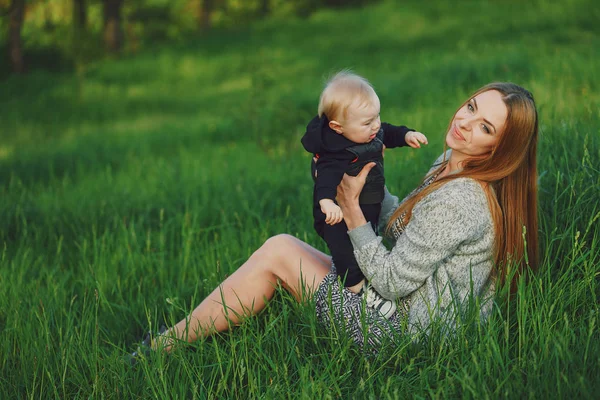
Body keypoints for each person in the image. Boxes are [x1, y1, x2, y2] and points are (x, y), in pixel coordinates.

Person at [131, 81, 539, 357]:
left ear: (501, 147)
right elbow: (406, 223)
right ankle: (167, 343)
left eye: (484, 126)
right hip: (400, 307)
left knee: (278, 252)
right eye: (470, 106)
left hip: (406, 337)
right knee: (280, 249)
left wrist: (353, 209)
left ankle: (160, 349)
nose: (465, 122)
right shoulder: (454, 162)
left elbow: (394, 280)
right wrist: (359, 186)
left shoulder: (462, 199)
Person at [301, 71, 428, 318]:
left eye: (376, 116)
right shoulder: (335, 151)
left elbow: (387, 132)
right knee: (347, 256)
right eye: (367, 122)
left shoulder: (367, 131)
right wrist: (327, 202)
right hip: (335, 217)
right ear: (338, 127)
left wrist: (406, 135)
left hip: (366, 204)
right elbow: (325, 177)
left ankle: (368, 279)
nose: (376, 125)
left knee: (366, 246)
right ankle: (361, 294)